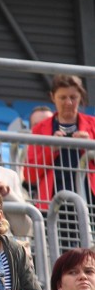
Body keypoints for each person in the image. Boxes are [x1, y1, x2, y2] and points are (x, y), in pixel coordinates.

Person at [24, 74, 95, 211]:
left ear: (80, 97)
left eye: (73, 97)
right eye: (62, 97)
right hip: (53, 203)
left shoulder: (93, 124)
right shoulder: (40, 128)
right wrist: (50, 150)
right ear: (52, 97)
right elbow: (30, 175)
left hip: (90, 200)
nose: (68, 102)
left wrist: (90, 147)